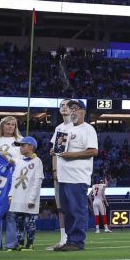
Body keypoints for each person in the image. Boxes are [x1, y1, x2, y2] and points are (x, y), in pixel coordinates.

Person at [52, 100, 98, 252]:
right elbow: (56, 148)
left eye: (76, 109)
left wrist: (71, 155)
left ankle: (77, 241)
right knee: (67, 211)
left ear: (84, 112)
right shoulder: (65, 128)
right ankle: (70, 239)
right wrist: (54, 151)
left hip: (78, 177)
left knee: (77, 210)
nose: (72, 111)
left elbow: (93, 151)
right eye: (70, 108)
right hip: (63, 176)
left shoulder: (88, 129)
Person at [0, 116, 23, 252]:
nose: (10, 126)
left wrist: (14, 163)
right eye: (7, 124)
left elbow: (23, 161)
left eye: (13, 124)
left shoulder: (19, 141)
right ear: (2, 126)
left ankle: (11, 243)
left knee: (12, 213)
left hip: (13, 179)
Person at [10, 137, 45, 251]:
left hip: (29, 196)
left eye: (23, 145)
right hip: (17, 196)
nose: (20, 148)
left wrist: (32, 199)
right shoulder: (19, 161)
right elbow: (14, 178)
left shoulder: (37, 161)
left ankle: (30, 244)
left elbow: (37, 181)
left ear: (31, 147)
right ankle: (20, 243)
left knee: (30, 223)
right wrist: (10, 194)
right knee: (19, 223)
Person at [49, 101, 73, 250]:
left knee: (72, 207)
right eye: (62, 105)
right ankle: (63, 238)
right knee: (60, 207)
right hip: (61, 171)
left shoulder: (78, 127)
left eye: (68, 105)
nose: (64, 107)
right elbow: (55, 152)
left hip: (74, 172)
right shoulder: (59, 128)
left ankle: (74, 237)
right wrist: (55, 171)